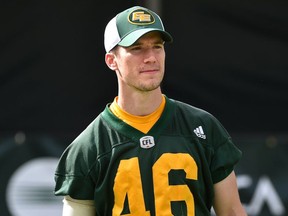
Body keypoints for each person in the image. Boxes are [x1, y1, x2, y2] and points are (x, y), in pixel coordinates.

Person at [54, 5, 247, 216]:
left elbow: (232, 212)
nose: (151, 57)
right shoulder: (87, 148)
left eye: (157, 46)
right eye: (136, 48)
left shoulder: (203, 127)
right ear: (112, 61)